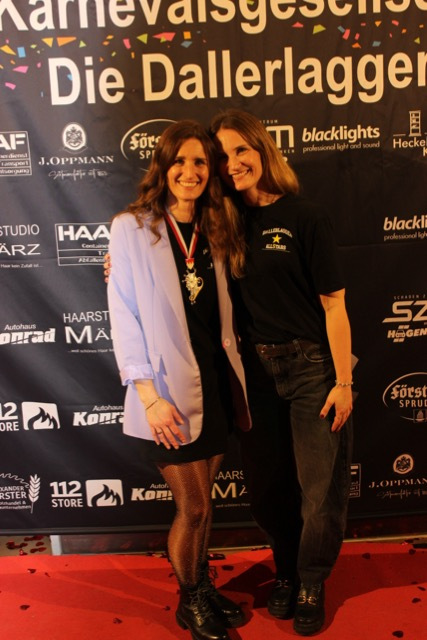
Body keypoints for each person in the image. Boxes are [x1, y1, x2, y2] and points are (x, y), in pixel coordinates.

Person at [208, 108, 354, 636]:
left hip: (313, 368)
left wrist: (344, 382)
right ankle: (286, 570)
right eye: (222, 156)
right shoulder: (221, 223)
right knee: (267, 489)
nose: (232, 163)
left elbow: (334, 305)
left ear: (261, 149)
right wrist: (119, 263)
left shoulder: (305, 216)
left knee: (320, 491)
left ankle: (311, 580)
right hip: (254, 374)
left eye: (240, 150)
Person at [106, 119, 251, 640]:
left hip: (214, 384)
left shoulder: (218, 223)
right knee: (194, 506)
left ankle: (202, 586)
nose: (190, 172)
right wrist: (148, 397)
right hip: (166, 392)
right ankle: (189, 600)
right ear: (162, 166)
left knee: (206, 506)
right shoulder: (132, 227)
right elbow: (123, 315)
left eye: (200, 162)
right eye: (180, 161)